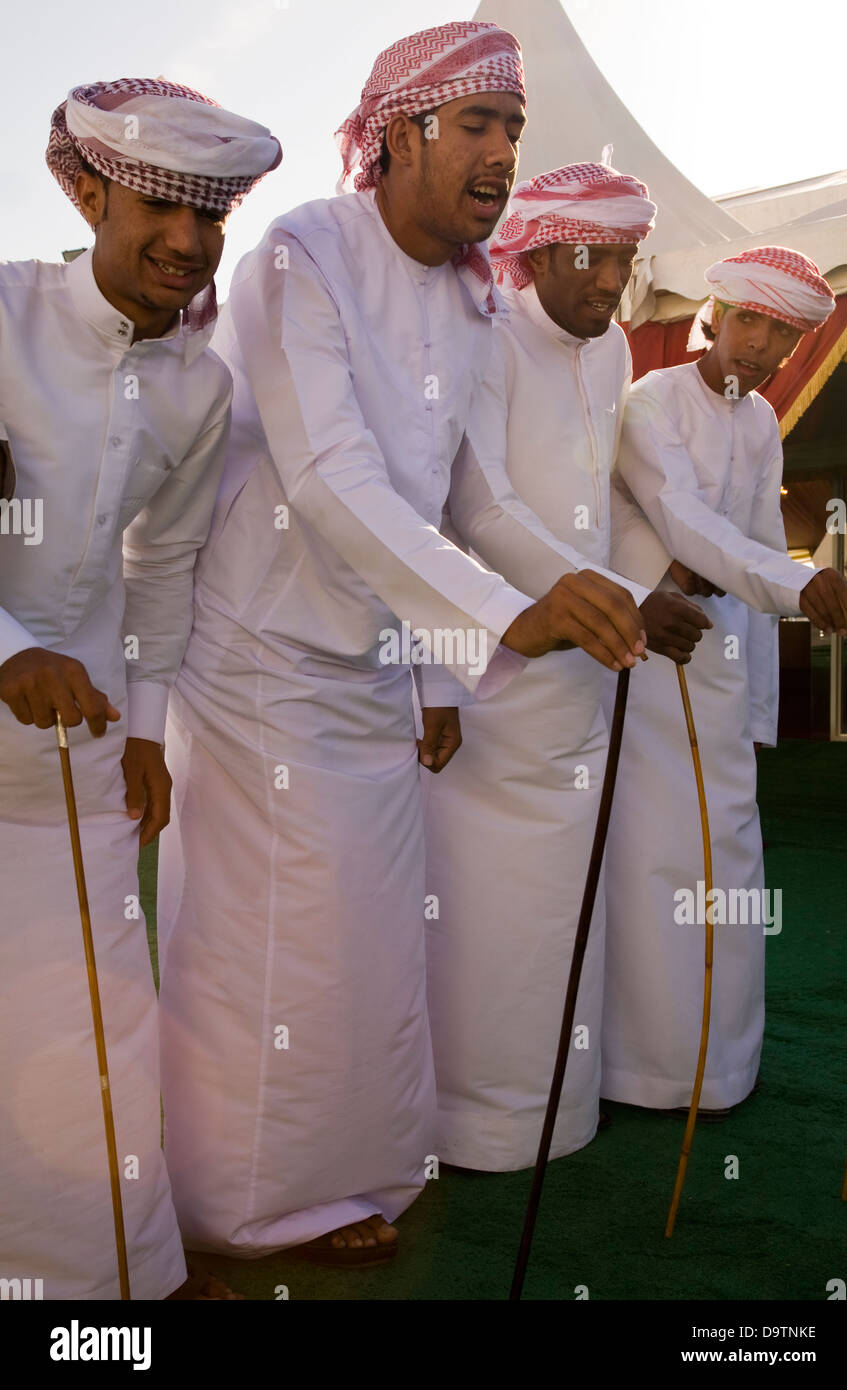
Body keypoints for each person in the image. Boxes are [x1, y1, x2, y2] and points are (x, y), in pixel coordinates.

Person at [157, 23, 653, 1267]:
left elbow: (472, 501)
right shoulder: (301, 255)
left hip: (372, 665)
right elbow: (328, 476)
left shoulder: (471, 295)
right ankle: (237, 1205)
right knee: (275, 950)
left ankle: (352, 1177)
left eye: (513, 134)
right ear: (400, 133)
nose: (500, 156)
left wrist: (577, 588)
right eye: (477, 126)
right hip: (259, 661)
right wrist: (496, 617)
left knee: (372, 947)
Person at [0, 77, 280, 1299]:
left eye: (211, 216)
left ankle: (113, 1285)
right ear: (92, 192)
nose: (186, 240)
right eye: (161, 205)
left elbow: (159, 569)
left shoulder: (198, 386)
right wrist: (5, 645)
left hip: (83, 759)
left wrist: (151, 733)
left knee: (94, 1026)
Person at [421, 163, 710, 1171]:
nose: (613, 280)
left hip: (587, 668)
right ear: (537, 250)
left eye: (628, 259)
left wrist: (637, 586)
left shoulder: (613, 349)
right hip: (494, 663)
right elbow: (479, 507)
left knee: (562, 910)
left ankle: (562, 1111)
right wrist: (606, 595)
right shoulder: (485, 336)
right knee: (490, 908)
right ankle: (469, 1128)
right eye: (596, 256)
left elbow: (599, 502)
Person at [602, 246, 847, 1116]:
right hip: (646, 661)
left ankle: (720, 1069)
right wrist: (796, 579)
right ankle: (643, 1071)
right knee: (654, 858)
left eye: (781, 334)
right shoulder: (649, 401)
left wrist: (757, 712)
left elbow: (744, 544)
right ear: (716, 311)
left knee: (729, 861)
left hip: (718, 672)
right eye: (749, 320)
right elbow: (682, 523)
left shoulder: (757, 425)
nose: (759, 346)